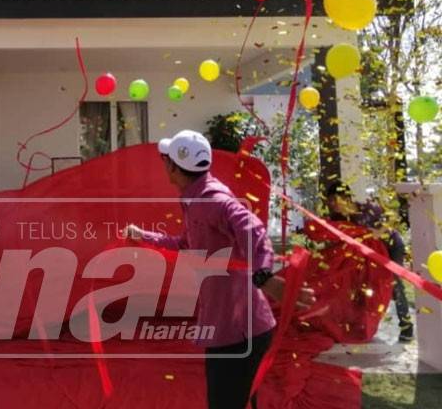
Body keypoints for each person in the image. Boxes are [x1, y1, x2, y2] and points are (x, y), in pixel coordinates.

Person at [124, 130, 315, 409]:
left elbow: (253, 229)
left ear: (175, 167)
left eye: (166, 160)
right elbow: (188, 244)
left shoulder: (212, 199)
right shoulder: (194, 197)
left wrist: (264, 276)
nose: (163, 165)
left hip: (239, 331)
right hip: (231, 325)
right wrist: (145, 236)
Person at [326, 182, 414, 342]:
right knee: (366, 285)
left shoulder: (366, 208)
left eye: (334, 199)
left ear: (346, 197)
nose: (331, 204)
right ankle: (362, 325)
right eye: (329, 201)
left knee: (394, 284)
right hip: (371, 253)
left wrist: (378, 231)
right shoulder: (341, 218)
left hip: (391, 246)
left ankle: (406, 325)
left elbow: (392, 217)